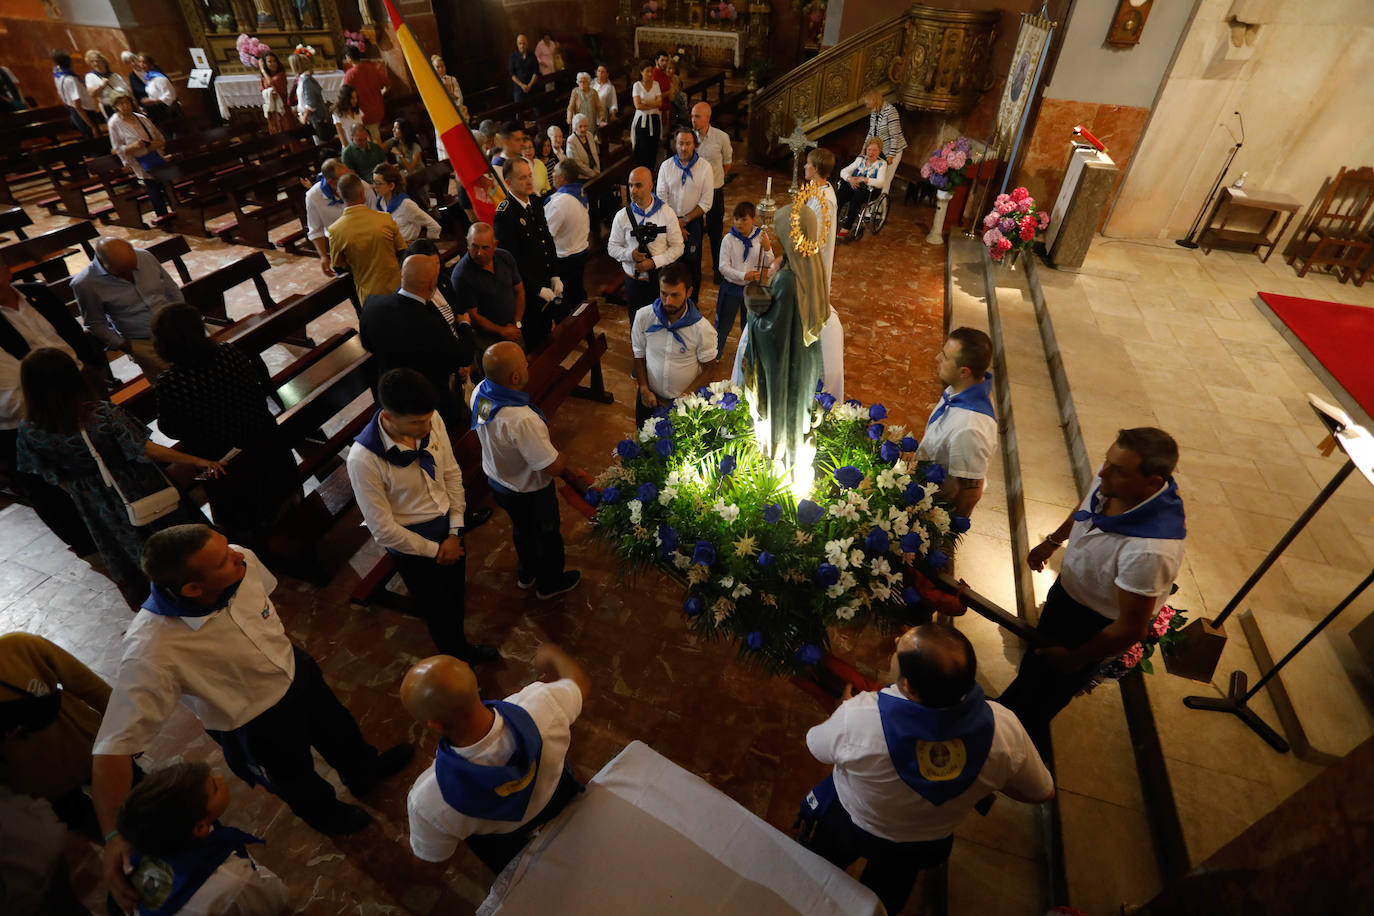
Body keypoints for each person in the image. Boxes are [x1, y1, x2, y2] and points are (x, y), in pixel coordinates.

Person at [92, 524, 415, 911]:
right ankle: (329, 815)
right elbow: (114, 746)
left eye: (229, 548)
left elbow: (264, 604)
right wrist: (113, 836)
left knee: (339, 728)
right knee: (295, 778)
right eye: (225, 560)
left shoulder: (241, 560)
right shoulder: (151, 649)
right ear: (193, 588)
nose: (240, 556)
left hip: (295, 670)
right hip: (255, 722)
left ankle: (364, 771)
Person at [799, 624, 1054, 916]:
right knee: (883, 897)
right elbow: (1042, 791)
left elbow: (816, 746)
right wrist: (983, 779)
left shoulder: (860, 716)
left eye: (899, 647)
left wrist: (844, 710)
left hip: (850, 823)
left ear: (908, 686)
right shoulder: (1004, 729)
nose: (895, 639)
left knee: (817, 875)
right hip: (918, 845)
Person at [997, 429, 1187, 749]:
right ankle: (1005, 710)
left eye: (1118, 469)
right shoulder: (1114, 485)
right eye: (1107, 461)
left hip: (1090, 626)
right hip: (1068, 594)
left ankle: (1010, 750)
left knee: (1046, 696)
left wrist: (1076, 658)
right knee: (1034, 667)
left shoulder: (1150, 549)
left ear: (1152, 483)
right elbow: (1085, 508)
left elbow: (1130, 627)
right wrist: (1053, 541)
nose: (1102, 473)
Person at [16, 349, 218, 606]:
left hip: (93, 502)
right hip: (135, 486)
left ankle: (163, 602)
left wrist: (81, 488)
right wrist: (197, 460)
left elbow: (43, 472)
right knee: (173, 541)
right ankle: (202, 588)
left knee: (130, 550)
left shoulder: (29, 430)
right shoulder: (101, 414)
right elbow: (144, 448)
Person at [347, 369, 498, 663]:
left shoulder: (431, 419)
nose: (428, 427)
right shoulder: (364, 460)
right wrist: (435, 549)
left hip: (449, 530)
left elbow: (452, 474)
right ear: (388, 417)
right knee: (437, 612)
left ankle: (462, 648)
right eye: (417, 422)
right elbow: (382, 529)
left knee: (455, 598)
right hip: (413, 546)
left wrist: (455, 532)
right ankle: (456, 663)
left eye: (429, 419)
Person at [402, 643, 588, 870]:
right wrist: (553, 653)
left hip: (507, 845)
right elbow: (578, 683)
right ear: (476, 687)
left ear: (434, 724)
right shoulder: (542, 704)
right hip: (562, 795)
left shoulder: (428, 800)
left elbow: (436, 852)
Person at [151, 304, 300, 546]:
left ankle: (247, 536)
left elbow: (171, 429)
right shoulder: (229, 352)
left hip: (223, 463)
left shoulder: (171, 381)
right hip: (265, 443)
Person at [0, 259, 102, 556]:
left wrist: (93, 366)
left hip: (78, 381)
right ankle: (87, 543)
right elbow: (12, 395)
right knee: (51, 488)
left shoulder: (36, 293)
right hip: (36, 409)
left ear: (8, 269)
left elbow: (70, 330)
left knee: (100, 454)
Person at [472, 342, 582, 598]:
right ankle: (550, 583)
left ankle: (527, 572)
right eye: (524, 362)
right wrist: (563, 458)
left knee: (522, 529)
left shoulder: (481, 392)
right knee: (547, 535)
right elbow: (551, 466)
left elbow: (484, 424)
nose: (527, 364)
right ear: (515, 377)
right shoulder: (521, 419)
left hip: (499, 480)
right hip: (529, 490)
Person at [116, 761, 289, 915]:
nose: (220, 778)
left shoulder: (138, 852)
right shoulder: (235, 883)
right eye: (215, 786)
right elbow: (276, 900)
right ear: (199, 828)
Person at [0, 632, 114, 837]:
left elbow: (89, 686)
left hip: (90, 748)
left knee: (145, 798)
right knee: (97, 828)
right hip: (43, 785)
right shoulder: (18, 646)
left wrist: (124, 728)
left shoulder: (19, 647)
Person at [741, 204, 826, 468]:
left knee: (785, 413)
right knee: (797, 413)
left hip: (788, 364)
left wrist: (754, 312)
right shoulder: (813, 267)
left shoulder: (788, 280)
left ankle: (781, 462)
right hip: (803, 358)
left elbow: (771, 334)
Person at [360, 256, 475, 430]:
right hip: (429, 403)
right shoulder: (431, 324)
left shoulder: (372, 304)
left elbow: (368, 345)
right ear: (431, 285)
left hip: (391, 398)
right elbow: (463, 355)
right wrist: (465, 324)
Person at [73, 237, 185, 380]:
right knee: (169, 382)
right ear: (102, 262)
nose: (130, 275)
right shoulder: (85, 283)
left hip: (176, 329)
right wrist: (126, 346)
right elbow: (95, 323)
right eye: (122, 273)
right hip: (143, 342)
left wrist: (182, 318)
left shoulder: (144, 256)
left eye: (133, 269)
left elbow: (171, 289)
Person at [914, 327, 997, 517]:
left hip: (933, 511)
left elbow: (970, 494)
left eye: (945, 356)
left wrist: (945, 538)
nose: (937, 358)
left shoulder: (970, 427)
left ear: (964, 372)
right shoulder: (961, 389)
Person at [630, 262, 717, 427]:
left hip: (683, 404)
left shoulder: (702, 329)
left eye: (675, 295)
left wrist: (686, 397)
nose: (668, 301)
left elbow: (710, 369)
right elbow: (639, 353)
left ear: (689, 292)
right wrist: (643, 387)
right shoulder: (643, 317)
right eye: (664, 293)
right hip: (650, 398)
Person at [494, 158, 561, 349]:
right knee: (536, 343)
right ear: (508, 182)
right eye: (522, 178)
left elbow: (547, 240)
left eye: (530, 175)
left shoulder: (535, 202)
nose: (530, 181)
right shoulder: (505, 215)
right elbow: (511, 261)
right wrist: (537, 289)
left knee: (549, 335)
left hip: (547, 284)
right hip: (528, 295)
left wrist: (555, 274)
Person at [607, 166, 683, 319]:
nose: (633, 190)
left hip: (660, 282)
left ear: (650, 186)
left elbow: (678, 246)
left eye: (638, 185)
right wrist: (630, 255)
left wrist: (654, 262)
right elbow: (612, 247)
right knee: (636, 324)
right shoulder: (622, 216)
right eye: (630, 185)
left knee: (660, 322)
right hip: (633, 282)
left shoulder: (666, 213)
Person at [328, 173, 407, 307]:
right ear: (362, 193)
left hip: (368, 298)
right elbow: (402, 251)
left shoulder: (335, 230)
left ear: (340, 195)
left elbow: (339, 267)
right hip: (397, 288)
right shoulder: (385, 218)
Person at [804, 147, 845, 400]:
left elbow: (814, 242)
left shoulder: (825, 200)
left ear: (817, 169)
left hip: (812, 268)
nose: (805, 167)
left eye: (808, 164)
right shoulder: (818, 192)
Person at [452, 223, 525, 363]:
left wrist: (516, 323)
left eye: (485, 247)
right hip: (486, 338)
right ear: (467, 242)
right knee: (497, 372)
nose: (479, 253)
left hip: (512, 328)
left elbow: (519, 291)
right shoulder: (462, 275)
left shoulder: (505, 257)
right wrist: (502, 331)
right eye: (474, 246)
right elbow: (473, 316)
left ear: (495, 244)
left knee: (521, 365)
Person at [656, 126, 713, 302]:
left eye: (688, 144)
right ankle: (671, 302)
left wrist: (684, 220)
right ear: (675, 144)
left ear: (694, 145)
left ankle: (692, 303)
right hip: (668, 221)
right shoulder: (666, 166)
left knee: (693, 265)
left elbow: (706, 202)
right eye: (681, 143)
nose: (684, 148)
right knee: (670, 265)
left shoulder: (705, 168)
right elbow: (661, 198)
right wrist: (675, 223)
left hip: (693, 223)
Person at [305, 158, 378, 280]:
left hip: (367, 242)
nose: (349, 179)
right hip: (340, 248)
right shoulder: (313, 196)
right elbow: (315, 229)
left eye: (348, 173)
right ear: (331, 182)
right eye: (343, 177)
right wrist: (323, 256)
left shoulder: (362, 186)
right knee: (352, 288)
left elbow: (375, 215)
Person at [106, 91, 169, 217]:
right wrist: (133, 146)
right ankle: (162, 215)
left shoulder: (142, 118)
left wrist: (155, 144)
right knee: (153, 186)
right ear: (115, 106)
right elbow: (116, 149)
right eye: (121, 104)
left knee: (166, 183)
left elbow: (161, 139)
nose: (125, 106)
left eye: (127, 102)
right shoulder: (114, 123)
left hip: (155, 155)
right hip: (138, 160)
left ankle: (174, 209)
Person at [715, 200, 763, 361]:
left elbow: (767, 262)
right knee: (724, 324)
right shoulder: (728, 239)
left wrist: (768, 248)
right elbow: (723, 267)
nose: (739, 223)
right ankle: (716, 354)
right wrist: (743, 275)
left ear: (753, 219)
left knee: (748, 325)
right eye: (736, 219)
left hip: (751, 290)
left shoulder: (761, 237)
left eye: (743, 219)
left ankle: (748, 355)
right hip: (731, 288)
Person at [691, 102, 733, 285]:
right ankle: (694, 272)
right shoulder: (688, 138)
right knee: (696, 234)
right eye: (692, 116)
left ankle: (718, 270)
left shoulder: (721, 137)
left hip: (715, 192)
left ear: (707, 118)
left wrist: (715, 180)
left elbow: (727, 162)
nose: (693, 120)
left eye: (697, 116)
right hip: (693, 194)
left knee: (716, 234)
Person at [545, 160, 590, 314]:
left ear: (563, 177)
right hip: (581, 251)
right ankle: (583, 319)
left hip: (565, 258)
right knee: (577, 291)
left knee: (563, 299)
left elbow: (547, 234)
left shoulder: (559, 202)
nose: (552, 175)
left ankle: (568, 328)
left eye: (554, 173)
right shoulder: (580, 192)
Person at [372, 163, 440, 243]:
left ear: (391, 186)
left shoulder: (406, 204)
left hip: (407, 250)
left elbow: (434, 226)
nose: (374, 186)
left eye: (378, 183)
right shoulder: (380, 203)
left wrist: (424, 245)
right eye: (373, 182)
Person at [836, 138, 886, 239]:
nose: (871, 153)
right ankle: (832, 221)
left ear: (879, 151)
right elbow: (844, 171)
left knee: (856, 199)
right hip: (854, 185)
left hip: (869, 190)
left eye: (874, 150)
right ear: (866, 149)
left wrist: (865, 179)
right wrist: (850, 179)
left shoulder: (882, 164)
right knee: (839, 195)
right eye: (869, 150)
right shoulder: (860, 159)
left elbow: (880, 182)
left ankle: (847, 226)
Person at [342, 45, 388, 141]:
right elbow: (388, 84)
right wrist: (381, 93)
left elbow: (345, 94)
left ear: (349, 58)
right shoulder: (373, 68)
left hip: (364, 114)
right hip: (379, 110)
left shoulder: (350, 74)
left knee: (374, 144)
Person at [288, 47, 333, 144]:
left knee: (322, 143)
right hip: (312, 120)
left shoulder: (307, 80)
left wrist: (304, 117)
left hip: (317, 119)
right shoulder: (302, 79)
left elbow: (311, 102)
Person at [51, 49, 99, 139]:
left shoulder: (58, 74)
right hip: (84, 114)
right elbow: (77, 105)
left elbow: (60, 94)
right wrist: (92, 126)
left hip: (74, 112)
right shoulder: (71, 80)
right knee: (95, 142)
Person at [629, 61, 663, 172]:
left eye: (651, 71)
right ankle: (641, 171)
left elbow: (660, 103)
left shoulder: (656, 84)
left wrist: (646, 104)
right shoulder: (637, 85)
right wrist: (652, 104)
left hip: (654, 119)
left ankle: (651, 173)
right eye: (647, 71)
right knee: (642, 147)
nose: (649, 74)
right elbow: (638, 105)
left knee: (653, 147)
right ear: (641, 72)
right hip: (642, 121)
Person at [863, 89, 907, 169]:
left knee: (885, 180)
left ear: (873, 100)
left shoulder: (891, 111)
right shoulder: (874, 112)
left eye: (867, 103)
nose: (867, 106)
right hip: (879, 150)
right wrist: (863, 149)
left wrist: (891, 156)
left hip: (893, 150)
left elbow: (895, 136)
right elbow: (871, 133)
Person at [137, 54, 179, 136]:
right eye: (139, 62)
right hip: (157, 113)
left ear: (151, 64)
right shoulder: (149, 78)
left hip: (167, 113)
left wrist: (152, 101)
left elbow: (170, 96)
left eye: (144, 62)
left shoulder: (159, 78)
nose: (141, 65)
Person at [84, 49, 131, 117]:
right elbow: (92, 94)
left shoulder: (115, 75)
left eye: (97, 60)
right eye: (92, 62)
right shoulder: (90, 76)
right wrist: (102, 85)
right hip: (111, 108)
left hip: (125, 105)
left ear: (103, 60)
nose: (95, 63)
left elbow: (128, 91)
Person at [258, 51, 290, 134]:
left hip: (283, 109)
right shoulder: (264, 77)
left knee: (286, 131)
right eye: (269, 61)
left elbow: (271, 83)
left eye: (274, 61)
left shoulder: (280, 75)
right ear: (265, 63)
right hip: (272, 110)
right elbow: (262, 90)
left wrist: (262, 70)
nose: (273, 63)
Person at [566, 72, 605, 140]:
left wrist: (602, 118)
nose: (582, 83)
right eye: (580, 82)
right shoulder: (575, 92)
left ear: (589, 82)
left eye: (584, 82)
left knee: (590, 139)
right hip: (579, 122)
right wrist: (569, 117)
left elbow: (599, 107)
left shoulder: (593, 93)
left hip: (590, 121)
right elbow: (570, 107)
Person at [330, 84, 364, 148]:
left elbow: (362, 128)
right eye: (353, 98)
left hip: (362, 144)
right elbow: (341, 136)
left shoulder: (357, 110)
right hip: (350, 147)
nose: (355, 100)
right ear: (346, 99)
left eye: (356, 98)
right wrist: (348, 149)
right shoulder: (338, 114)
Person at [508, 34, 538, 102]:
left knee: (537, 110)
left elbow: (536, 72)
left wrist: (530, 85)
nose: (522, 46)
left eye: (524, 43)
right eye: (520, 43)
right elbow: (512, 74)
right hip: (519, 88)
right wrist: (522, 85)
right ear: (517, 44)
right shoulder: (513, 56)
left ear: (527, 43)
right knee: (518, 110)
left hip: (532, 87)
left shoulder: (532, 55)